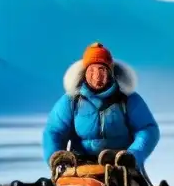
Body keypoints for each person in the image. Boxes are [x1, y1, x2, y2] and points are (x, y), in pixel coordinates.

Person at [42, 42, 160, 172]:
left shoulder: (128, 100)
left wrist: (134, 155)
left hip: (121, 165)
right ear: (84, 73)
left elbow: (147, 129)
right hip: (79, 166)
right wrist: (58, 158)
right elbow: (54, 132)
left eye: (102, 70)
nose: (97, 76)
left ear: (110, 72)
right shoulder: (71, 101)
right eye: (91, 70)